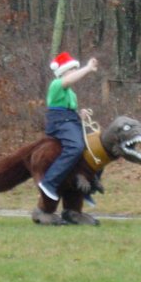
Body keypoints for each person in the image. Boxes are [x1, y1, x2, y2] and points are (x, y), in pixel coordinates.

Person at [38, 51, 99, 203]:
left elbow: (67, 110)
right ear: (63, 71)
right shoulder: (56, 84)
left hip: (70, 121)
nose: (75, 72)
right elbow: (68, 82)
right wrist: (87, 68)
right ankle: (49, 182)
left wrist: (80, 115)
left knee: (94, 148)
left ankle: (88, 185)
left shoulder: (71, 93)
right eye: (72, 69)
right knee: (75, 147)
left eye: (75, 69)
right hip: (59, 123)